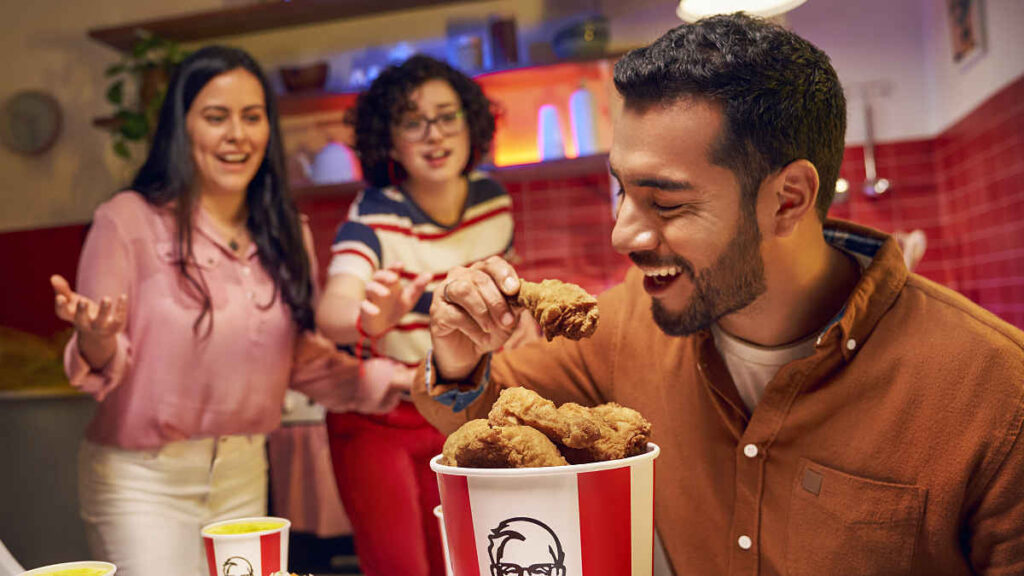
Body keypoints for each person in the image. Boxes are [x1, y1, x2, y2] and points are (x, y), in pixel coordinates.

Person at [413, 13, 1024, 575]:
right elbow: (476, 415)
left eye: (668, 203)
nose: (621, 233)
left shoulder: (996, 391)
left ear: (788, 199)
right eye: (621, 191)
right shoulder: (631, 320)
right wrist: (459, 350)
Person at [50, 46, 402, 576]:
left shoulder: (287, 231)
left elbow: (300, 358)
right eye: (216, 117)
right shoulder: (125, 221)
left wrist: (407, 377)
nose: (237, 135)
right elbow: (105, 357)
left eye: (252, 117)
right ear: (181, 128)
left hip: (242, 471)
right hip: (143, 482)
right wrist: (96, 338)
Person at [315, 54, 537, 576]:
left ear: (471, 123)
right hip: (380, 419)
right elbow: (332, 312)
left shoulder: (492, 201)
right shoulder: (374, 212)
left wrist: (519, 316)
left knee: (467, 560)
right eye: (412, 121)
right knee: (401, 567)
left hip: (460, 410)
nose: (433, 134)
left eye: (446, 115)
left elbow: (502, 287)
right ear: (389, 141)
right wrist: (374, 317)